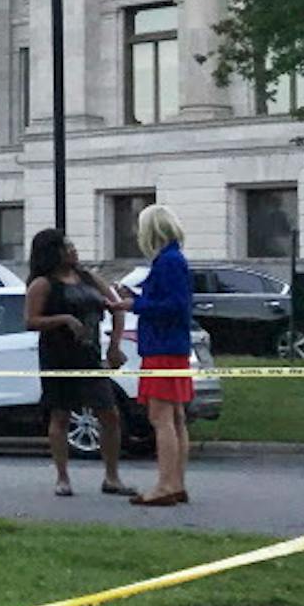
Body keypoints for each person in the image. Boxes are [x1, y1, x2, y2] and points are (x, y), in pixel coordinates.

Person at [23, 227, 132, 499]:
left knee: (109, 414)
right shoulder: (43, 284)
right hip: (58, 357)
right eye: (66, 246)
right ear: (53, 252)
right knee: (60, 415)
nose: (73, 250)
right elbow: (30, 321)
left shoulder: (88, 278)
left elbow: (115, 307)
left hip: (90, 357)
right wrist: (63, 319)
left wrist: (115, 346)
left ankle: (112, 477)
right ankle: (62, 477)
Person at [128, 204, 195, 507]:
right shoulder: (175, 259)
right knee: (176, 417)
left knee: (161, 417)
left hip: (162, 349)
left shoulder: (167, 262)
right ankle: (176, 482)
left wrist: (134, 305)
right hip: (174, 347)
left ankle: (165, 484)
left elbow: (173, 306)